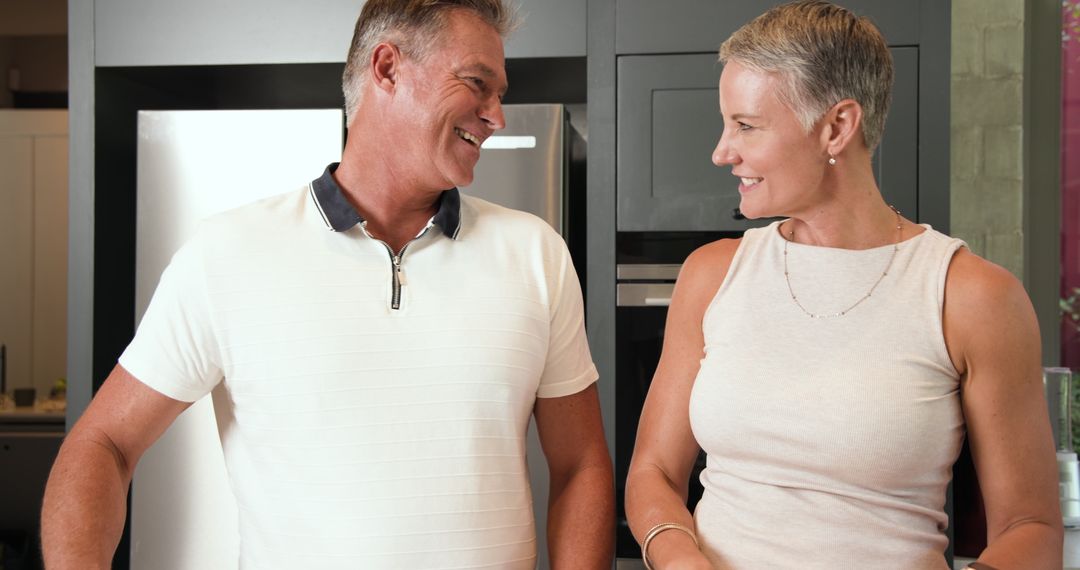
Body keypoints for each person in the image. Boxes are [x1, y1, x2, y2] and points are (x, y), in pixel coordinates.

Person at [41, 1, 614, 568]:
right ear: (387, 68)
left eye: (500, 94)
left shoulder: (537, 254)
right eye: (476, 84)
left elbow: (581, 465)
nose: (496, 116)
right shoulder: (227, 254)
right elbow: (105, 444)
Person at [624, 1, 1062, 569]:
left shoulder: (969, 296)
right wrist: (681, 559)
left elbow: (1031, 527)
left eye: (746, 126)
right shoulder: (712, 274)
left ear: (836, 126)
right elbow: (652, 472)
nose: (721, 151)